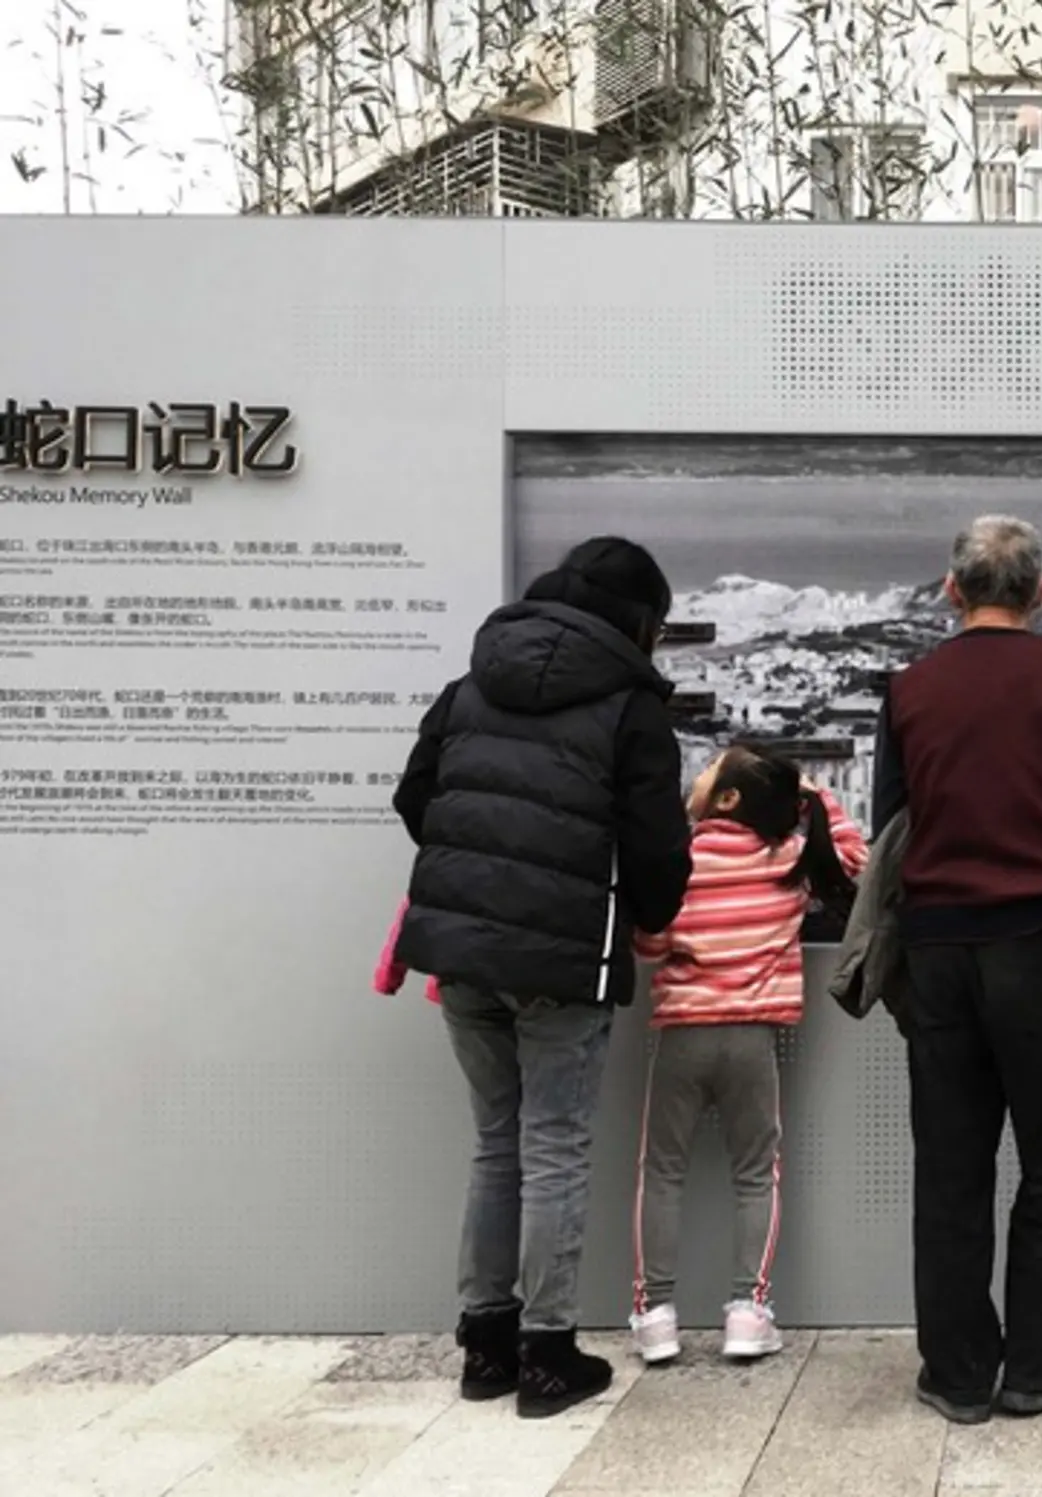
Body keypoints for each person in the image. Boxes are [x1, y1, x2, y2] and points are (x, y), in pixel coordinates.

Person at [394, 536, 693, 1421]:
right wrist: (643, 912)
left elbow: (416, 797)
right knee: (555, 1146)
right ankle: (549, 1354)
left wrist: (482, 871)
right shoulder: (631, 709)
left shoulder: (471, 684)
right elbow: (656, 852)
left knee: (497, 1142)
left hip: (463, 953)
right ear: (640, 621)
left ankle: (485, 1345)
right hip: (561, 960)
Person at [872, 515, 1042, 1425]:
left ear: (952, 590)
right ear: (1041, 592)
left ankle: (958, 1372)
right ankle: (1041, 1367)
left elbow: (890, 819)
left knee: (950, 1164)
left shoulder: (907, 686)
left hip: (937, 948)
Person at [627, 745, 867, 1366]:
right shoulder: (788, 859)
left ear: (727, 798)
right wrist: (816, 795)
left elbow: (648, 945)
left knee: (662, 1171)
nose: (697, 775)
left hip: (682, 1037)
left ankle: (654, 1315)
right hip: (753, 1041)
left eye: (709, 770)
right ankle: (748, 1311)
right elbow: (853, 857)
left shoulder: (678, 860)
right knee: (757, 1174)